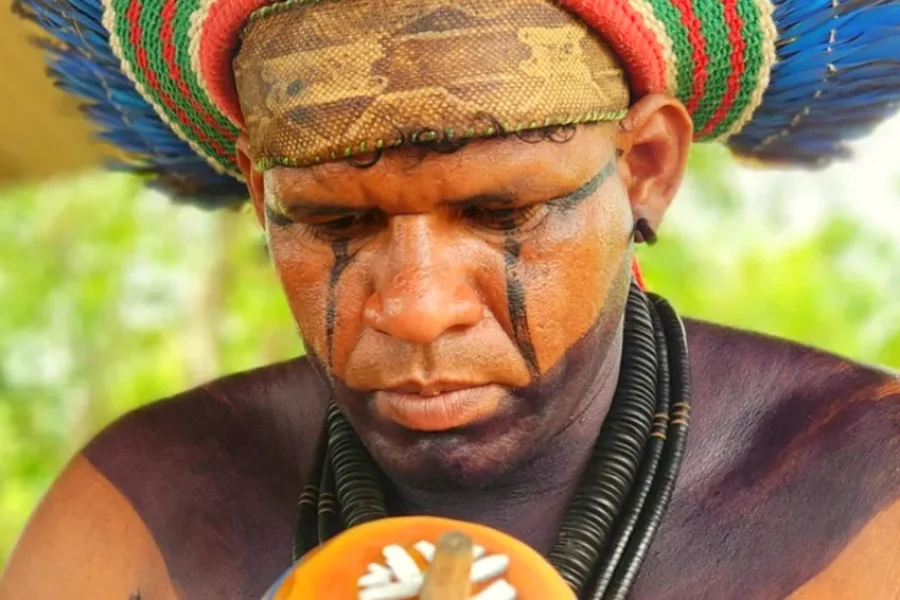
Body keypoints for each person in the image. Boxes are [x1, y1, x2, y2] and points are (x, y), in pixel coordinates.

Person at [1, 0, 899, 598]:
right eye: (330, 223)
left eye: (500, 211)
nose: (418, 309)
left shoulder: (863, 499)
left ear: (646, 170)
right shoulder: (141, 514)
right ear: (258, 192)